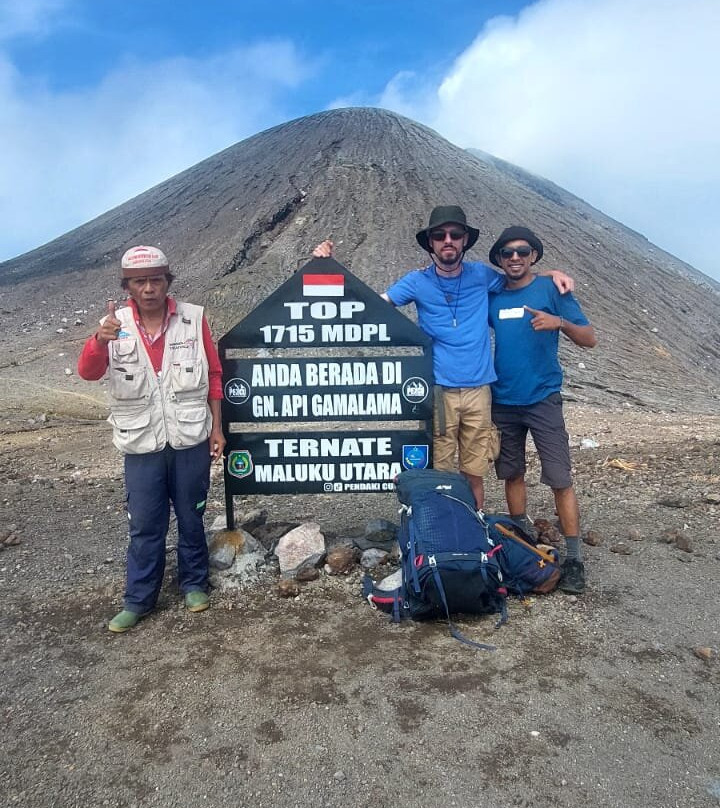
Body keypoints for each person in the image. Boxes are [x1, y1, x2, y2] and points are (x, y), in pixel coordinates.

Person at [313, 206, 573, 509]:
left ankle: (474, 527)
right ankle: (444, 528)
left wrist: (550, 274)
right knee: (442, 469)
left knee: (474, 472)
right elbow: (373, 306)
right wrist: (329, 270)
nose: (447, 240)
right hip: (439, 391)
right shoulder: (416, 281)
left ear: (465, 240)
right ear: (431, 243)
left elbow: (519, 277)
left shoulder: (482, 275)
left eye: (455, 234)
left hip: (480, 391)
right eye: (439, 235)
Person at [77, 245, 226, 632]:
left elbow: (213, 375)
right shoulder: (113, 324)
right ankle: (139, 599)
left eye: (155, 280)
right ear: (127, 286)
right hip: (141, 442)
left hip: (190, 438)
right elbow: (89, 372)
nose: (148, 288)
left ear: (167, 282)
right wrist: (99, 341)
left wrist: (217, 428)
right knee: (145, 524)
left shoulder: (193, 319)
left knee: (192, 517)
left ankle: (194, 584)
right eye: (139, 282)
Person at [487, 226, 596, 593]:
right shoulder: (493, 294)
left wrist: (559, 322)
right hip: (503, 401)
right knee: (512, 473)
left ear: (534, 255)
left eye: (523, 251)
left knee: (559, 478)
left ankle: (575, 559)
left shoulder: (552, 290)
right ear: (499, 260)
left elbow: (590, 338)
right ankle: (522, 544)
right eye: (507, 253)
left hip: (543, 400)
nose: (515, 257)